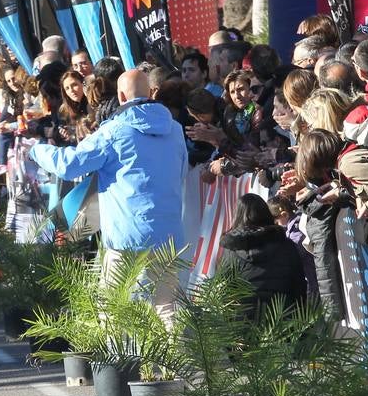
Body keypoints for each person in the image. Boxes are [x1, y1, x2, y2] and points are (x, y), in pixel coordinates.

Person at [29, 70, 187, 321]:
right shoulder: (176, 130)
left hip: (127, 237)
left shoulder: (113, 131)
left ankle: (120, 361)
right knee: (167, 309)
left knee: (112, 310)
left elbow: (69, 165)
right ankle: (178, 360)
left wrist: (37, 149)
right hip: (169, 232)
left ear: (121, 96)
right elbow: (180, 174)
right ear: (150, 92)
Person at [219, 193, 307, 317]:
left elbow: (224, 290)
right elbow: (299, 285)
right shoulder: (286, 245)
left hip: (245, 322)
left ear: (238, 217)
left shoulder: (231, 252)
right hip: (284, 319)